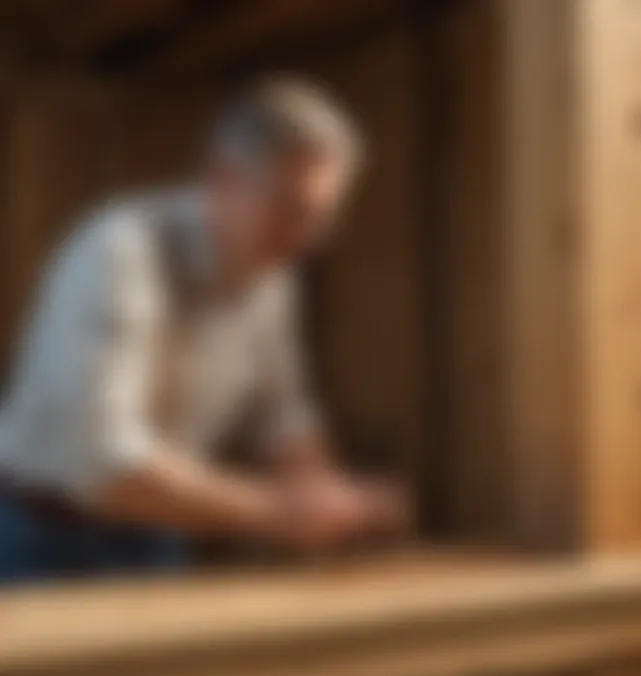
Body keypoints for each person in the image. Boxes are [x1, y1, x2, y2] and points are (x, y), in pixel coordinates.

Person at [0, 77, 406, 582]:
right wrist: (281, 512)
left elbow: (282, 407)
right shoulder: (117, 253)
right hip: (42, 536)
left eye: (322, 218)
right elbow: (104, 466)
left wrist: (321, 492)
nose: (306, 241)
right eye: (290, 211)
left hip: (156, 531)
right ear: (222, 181)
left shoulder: (273, 273)